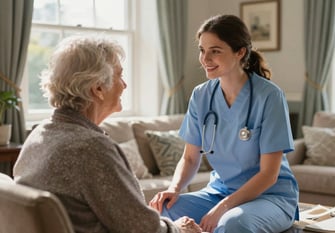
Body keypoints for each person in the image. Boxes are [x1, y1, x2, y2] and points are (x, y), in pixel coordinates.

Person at [13, 35, 202, 233]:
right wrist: (181, 229)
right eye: (119, 76)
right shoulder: (91, 148)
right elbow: (143, 230)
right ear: (98, 88)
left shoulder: (40, 134)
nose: (124, 85)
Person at [149, 14, 299, 233]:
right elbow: (190, 158)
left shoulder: (269, 96)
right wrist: (174, 188)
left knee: (232, 223)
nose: (205, 59)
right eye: (202, 50)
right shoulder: (201, 96)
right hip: (220, 191)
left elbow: (269, 175)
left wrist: (223, 207)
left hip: (270, 196)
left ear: (240, 52)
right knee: (163, 211)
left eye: (215, 51)